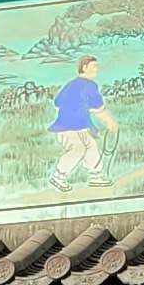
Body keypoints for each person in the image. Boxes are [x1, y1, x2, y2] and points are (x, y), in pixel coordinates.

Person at [45, 57, 113, 189]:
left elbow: (57, 102)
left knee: (92, 147)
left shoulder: (70, 84)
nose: (97, 69)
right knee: (78, 149)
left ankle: (95, 176)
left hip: (82, 125)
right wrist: (110, 122)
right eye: (93, 66)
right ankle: (58, 176)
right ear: (84, 68)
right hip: (68, 127)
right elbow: (97, 107)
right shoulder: (90, 85)